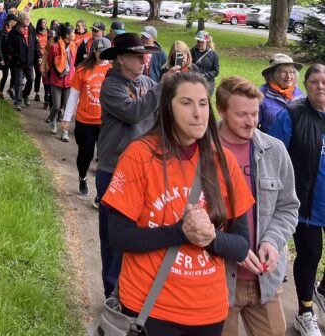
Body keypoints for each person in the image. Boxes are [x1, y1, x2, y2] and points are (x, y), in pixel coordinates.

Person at [102, 70, 254, 335]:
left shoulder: (224, 161)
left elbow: (241, 246)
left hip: (210, 312)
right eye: (186, 103)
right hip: (150, 309)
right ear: (167, 109)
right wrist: (179, 232)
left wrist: (210, 237)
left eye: (203, 103)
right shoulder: (139, 156)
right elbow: (119, 237)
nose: (198, 113)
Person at [216, 76, 299, 336]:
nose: (251, 122)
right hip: (218, 280)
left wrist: (272, 241)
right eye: (242, 114)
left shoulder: (275, 151)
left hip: (265, 280)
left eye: (254, 114)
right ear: (221, 110)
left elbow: (288, 207)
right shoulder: (203, 151)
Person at [96, 32, 163, 298]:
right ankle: (113, 294)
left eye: (144, 56)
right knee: (114, 240)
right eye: (137, 56)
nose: (143, 60)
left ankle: (135, 293)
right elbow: (133, 112)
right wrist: (160, 89)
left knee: (144, 234)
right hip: (114, 172)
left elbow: (159, 115)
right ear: (121, 59)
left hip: (147, 171)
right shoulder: (110, 86)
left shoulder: (147, 81)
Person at [269, 64, 325, 336]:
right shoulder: (291, 115)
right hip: (305, 204)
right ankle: (305, 312)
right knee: (311, 253)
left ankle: (322, 291)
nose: (321, 86)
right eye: (314, 82)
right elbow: (273, 156)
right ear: (306, 85)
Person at [61, 36, 111, 195]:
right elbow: (74, 95)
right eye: (101, 52)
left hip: (105, 122)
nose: (103, 55)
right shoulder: (82, 70)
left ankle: (100, 193)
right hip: (85, 121)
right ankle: (82, 177)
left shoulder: (112, 71)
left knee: (103, 158)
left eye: (107, 52)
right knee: (86, 154)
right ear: (94, 51)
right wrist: (67, 117)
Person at [258, 53, 304, 133]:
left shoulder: (299, 93)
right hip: (270, 142)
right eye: (283, 72)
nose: (289, 76)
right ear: (272, 74)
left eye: (291, 72)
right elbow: (252, 126)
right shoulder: (261, 94)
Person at [7, 11, 40, 112]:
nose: (28, 20)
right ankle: (17, 102)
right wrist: (17, 56)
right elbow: (9, 47)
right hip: (18, 62)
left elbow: (36, 44)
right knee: (19, 82)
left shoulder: (31, 29)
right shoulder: (14, 31)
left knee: (31, 80)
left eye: (28, 18)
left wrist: (38, 56)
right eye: (26, 19)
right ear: (20, 20)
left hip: (29, 62)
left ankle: (25, 95)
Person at [46, 24, 76, 135]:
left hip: (69, 81)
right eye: (73, 33)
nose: (74, 35)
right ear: (67, 35)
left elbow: (73, 63)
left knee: (67, 107)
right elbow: (50, 62)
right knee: (57, 106)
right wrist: (58, 72)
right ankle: (53, 119)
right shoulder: (55, 47)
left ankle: (65, 131)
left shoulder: (73, 46)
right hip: (56, 80)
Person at [191, 30, 220, 95]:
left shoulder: (214, 55)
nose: (199, 44)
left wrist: (205, 76)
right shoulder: (191, 52)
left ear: (206, 42)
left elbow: (216, 71)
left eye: (202, 42)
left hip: (208, 83)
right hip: (194, 81)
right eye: (198, 41)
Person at [0, 14, 17, 98]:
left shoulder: (14, 32)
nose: (15, 23)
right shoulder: (2, 32)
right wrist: (1, 58)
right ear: (9, 22)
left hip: (13, 58)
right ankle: (0, 92)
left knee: (14, 74)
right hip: (4, 57)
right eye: (13, 22)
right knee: (5, 74)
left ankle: (10, 89)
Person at [34, 18, 50, 102]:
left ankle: (46, 94)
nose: (44, 24)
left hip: (47, 57)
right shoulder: (35, 33)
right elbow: (35, 46)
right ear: (39, 24)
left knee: (46, 76)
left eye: (45, 22)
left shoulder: (49, 33)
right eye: (43, 22)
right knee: (38, 75)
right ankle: (37, 93)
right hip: (38, 57)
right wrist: (39, 57)